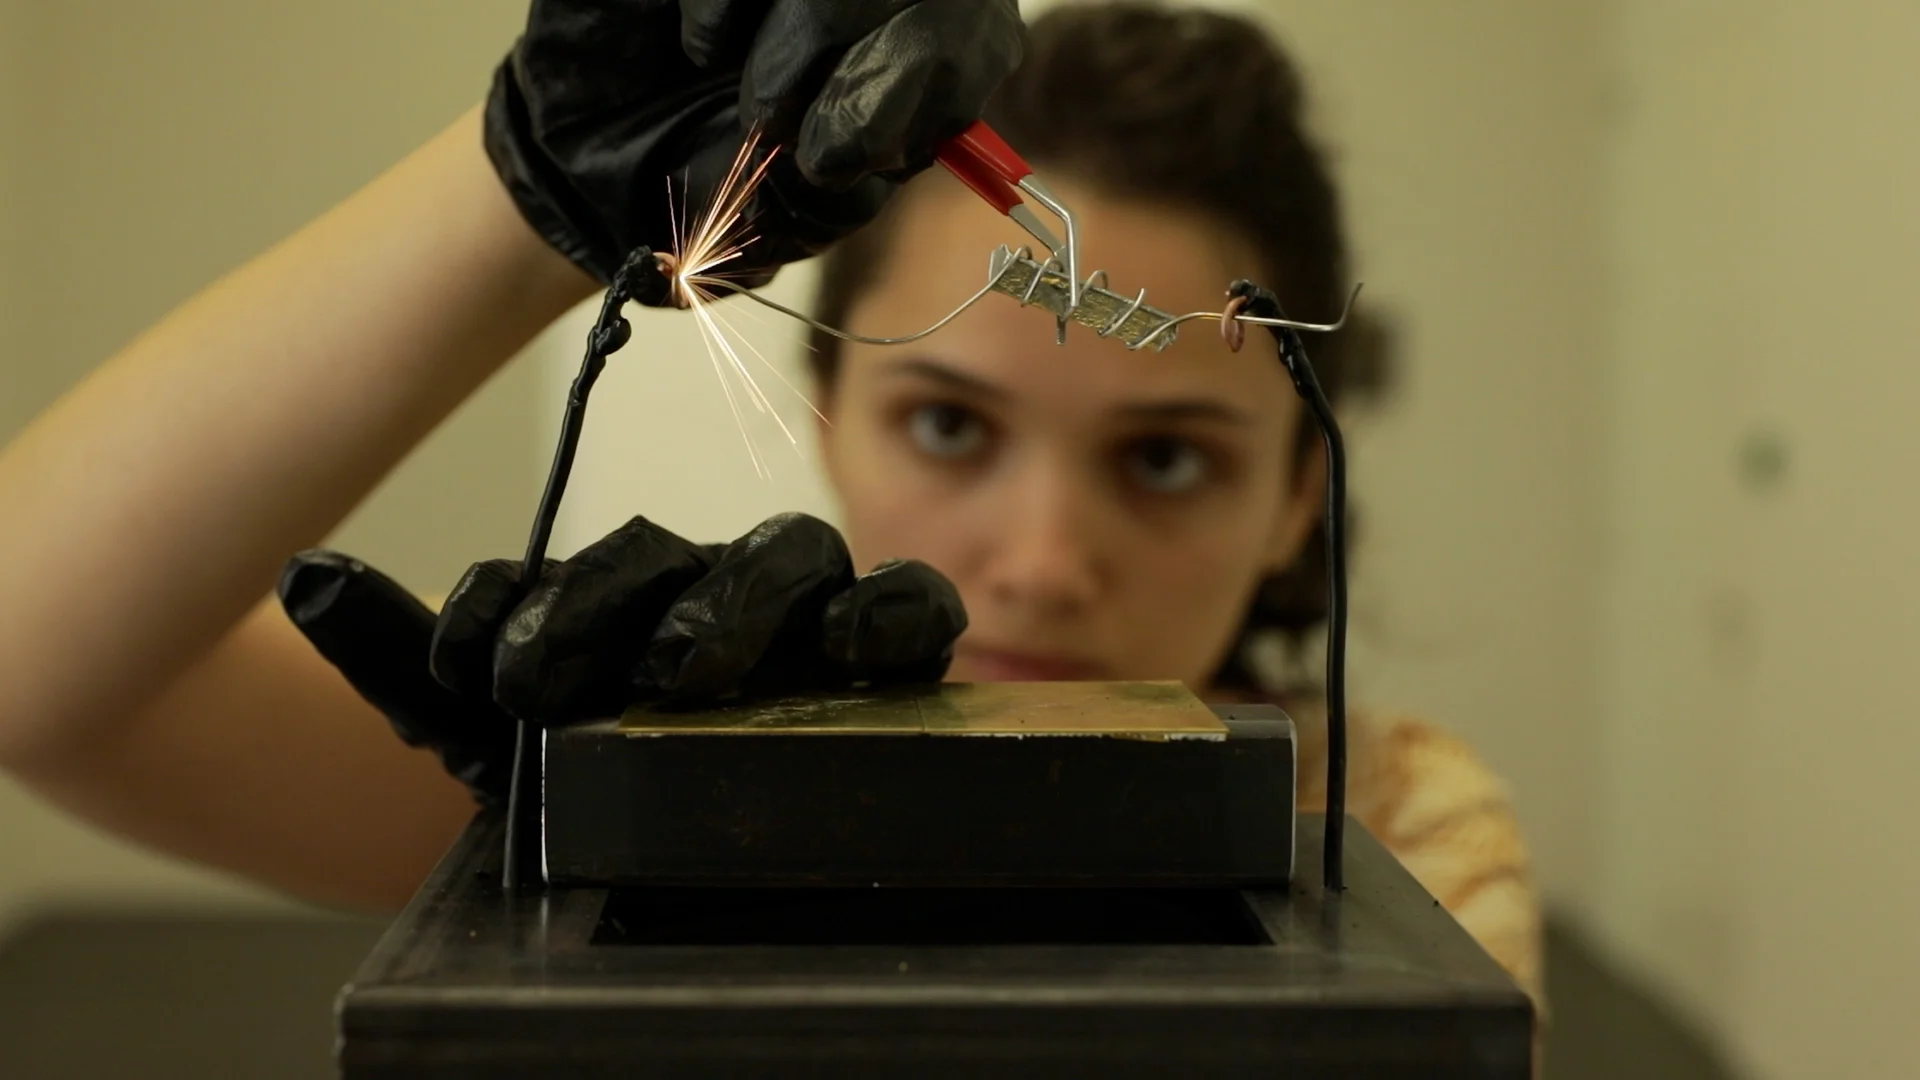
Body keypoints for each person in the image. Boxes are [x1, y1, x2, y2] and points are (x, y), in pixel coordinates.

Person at [0, 0, 1544, 1027]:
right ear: (831, 407)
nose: (1041, 564)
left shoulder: (1394, 834)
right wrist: (524, 192)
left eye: (1166, 461)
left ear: (1296, 497)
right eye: (949, 425)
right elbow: (29, 655)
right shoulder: (670, 788)